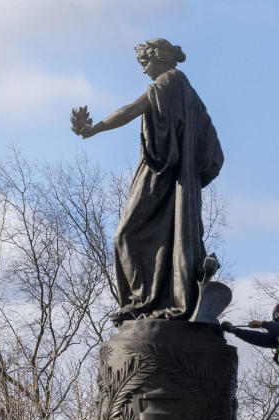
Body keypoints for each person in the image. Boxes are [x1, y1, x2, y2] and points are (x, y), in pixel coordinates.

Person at [72, 38, 224, 322]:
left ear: (163, 58)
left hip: (164, 176)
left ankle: (143, 301)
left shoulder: (171, 82)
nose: (143, 71)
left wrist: (95, 129)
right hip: (167, 174)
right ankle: (150, 300)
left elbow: (131, 110)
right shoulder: (186, 90)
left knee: (126, 235)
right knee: (155, 238)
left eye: (145, 62)